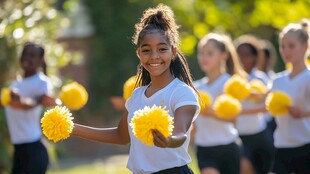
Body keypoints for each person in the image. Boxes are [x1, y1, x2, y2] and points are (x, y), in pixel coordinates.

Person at [72, 4, 199, 174]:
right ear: (139, 54)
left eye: (162, 49)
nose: (154, 56)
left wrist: (169, 140)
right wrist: (73, 129)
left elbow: (181, 133)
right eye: (147, 50)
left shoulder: (182, 92)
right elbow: (121, 136)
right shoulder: (137, 95)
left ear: (173, 52)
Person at [192, 33, 245, 174]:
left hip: (228, 148)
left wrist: (210, 112)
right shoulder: (195, 88)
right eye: (201, 53)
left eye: (209, 53)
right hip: (204, 149)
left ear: (224, 55)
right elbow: (194, 126)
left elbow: (234, 119)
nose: (204, 58)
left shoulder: (231, 83)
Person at [1, 42, 57, 174]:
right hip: (18, 150)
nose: (26, 58)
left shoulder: (42, 82)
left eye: (32, 55)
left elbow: (35, 103)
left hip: (34, 150)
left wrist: (19, 101)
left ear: (40, 60)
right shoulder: (13, 85)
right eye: (24, 54)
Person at [270, 18, 310, 174]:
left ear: (306, 47)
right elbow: (266, 103)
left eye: (291, 46)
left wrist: (304, 114)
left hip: (306, 146)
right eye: (283, 46)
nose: (286, 51)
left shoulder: (308, 77)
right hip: (282, 147)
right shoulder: (277, 80)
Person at [234, 35, 275, 174]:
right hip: (239, 136)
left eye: (246, 55)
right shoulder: (232, 80)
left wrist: (241, 111)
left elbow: (269, 106)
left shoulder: (261, 78)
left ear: (255, 57)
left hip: (260, 135)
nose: (242, 59)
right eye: (238, 55)